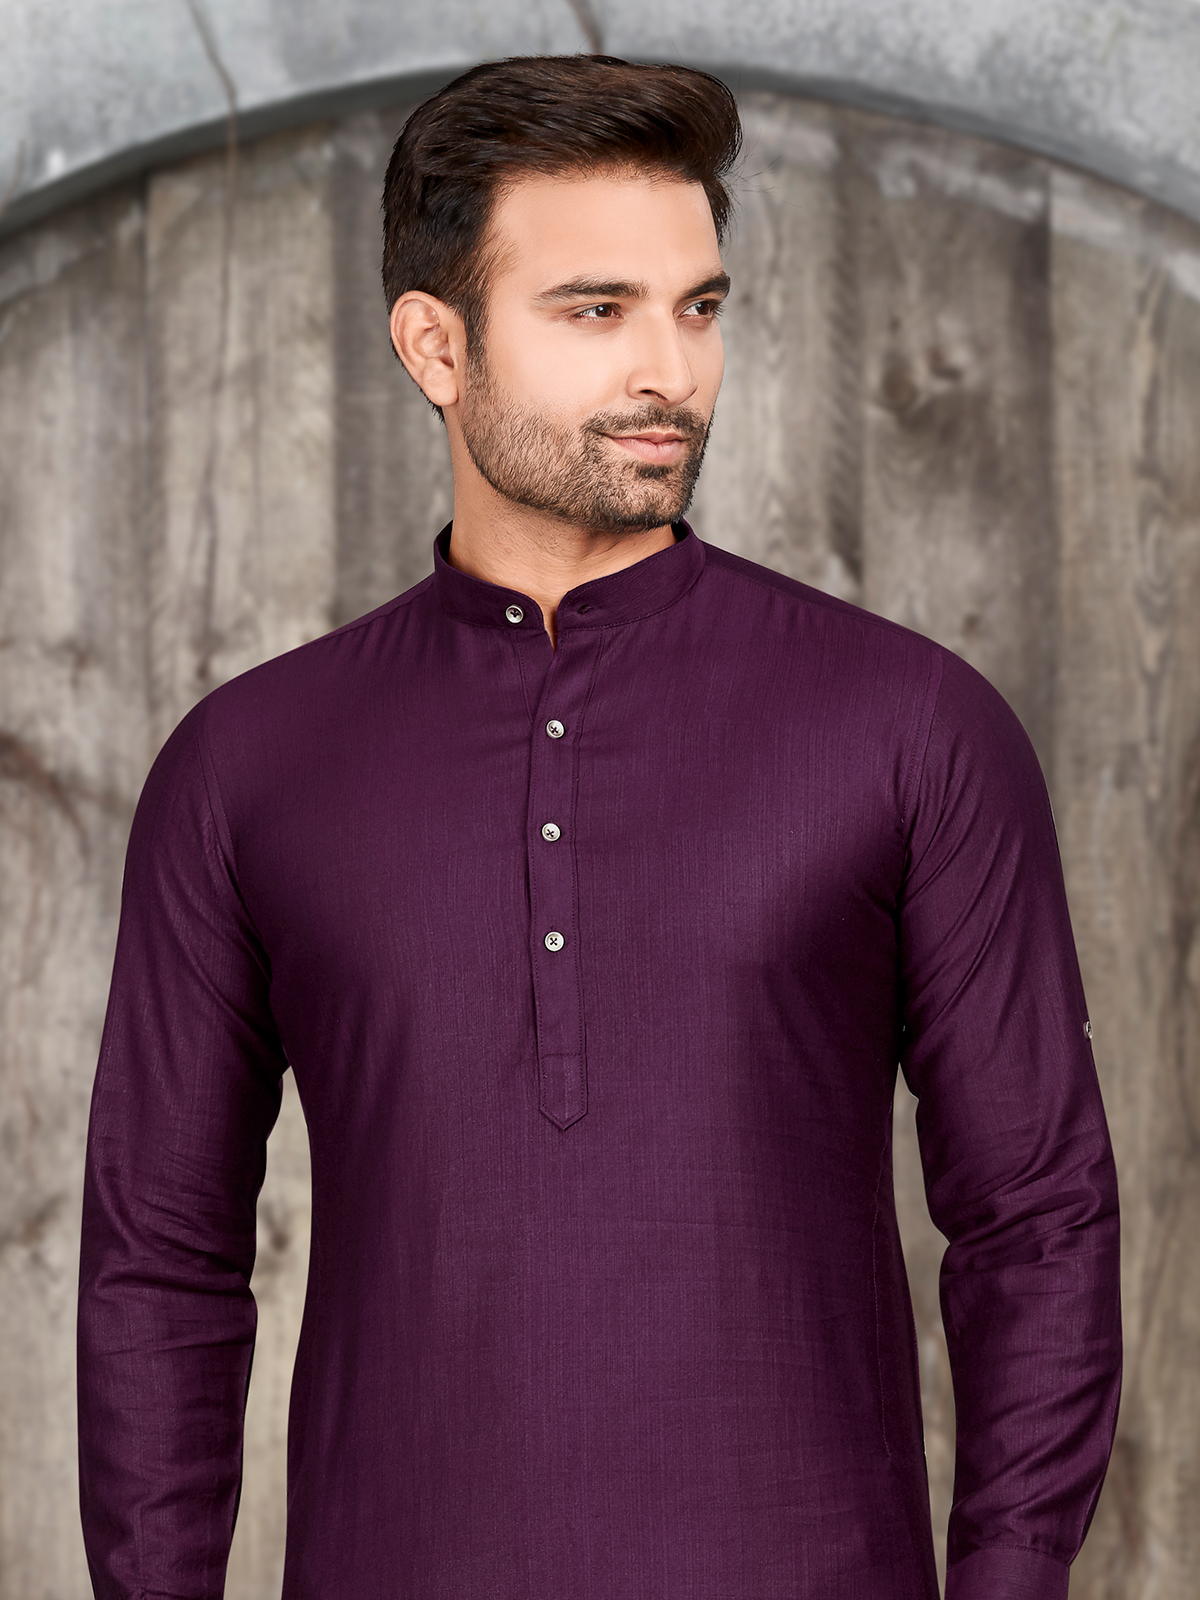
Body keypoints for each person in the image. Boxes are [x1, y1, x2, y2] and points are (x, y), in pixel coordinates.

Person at [77, 54, 1121, 1600]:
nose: (669, 371)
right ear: (435, 344)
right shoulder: (247, 767)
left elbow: (1037, 1219)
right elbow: (159, 1264)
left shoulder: (911, 727)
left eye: (698, 308)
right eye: (596, 310)